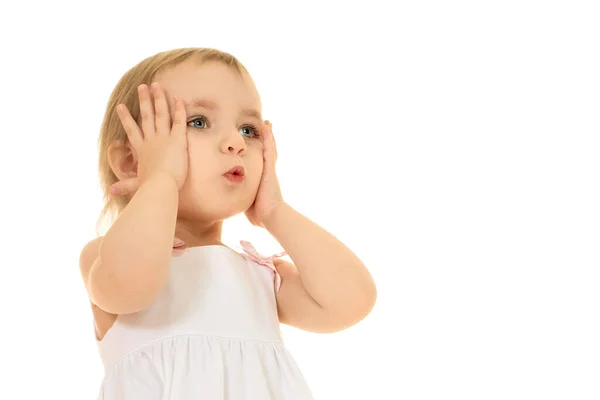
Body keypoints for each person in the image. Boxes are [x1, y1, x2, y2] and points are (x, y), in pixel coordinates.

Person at [79, 47, 377, 399]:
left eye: (249, 130)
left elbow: (352, 300)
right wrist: (159, 178)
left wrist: (275, 211)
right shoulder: (107, 255)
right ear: (131, 161)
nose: (236, 142)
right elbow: (134, 283)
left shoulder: (260, 276)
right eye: (199, 122)